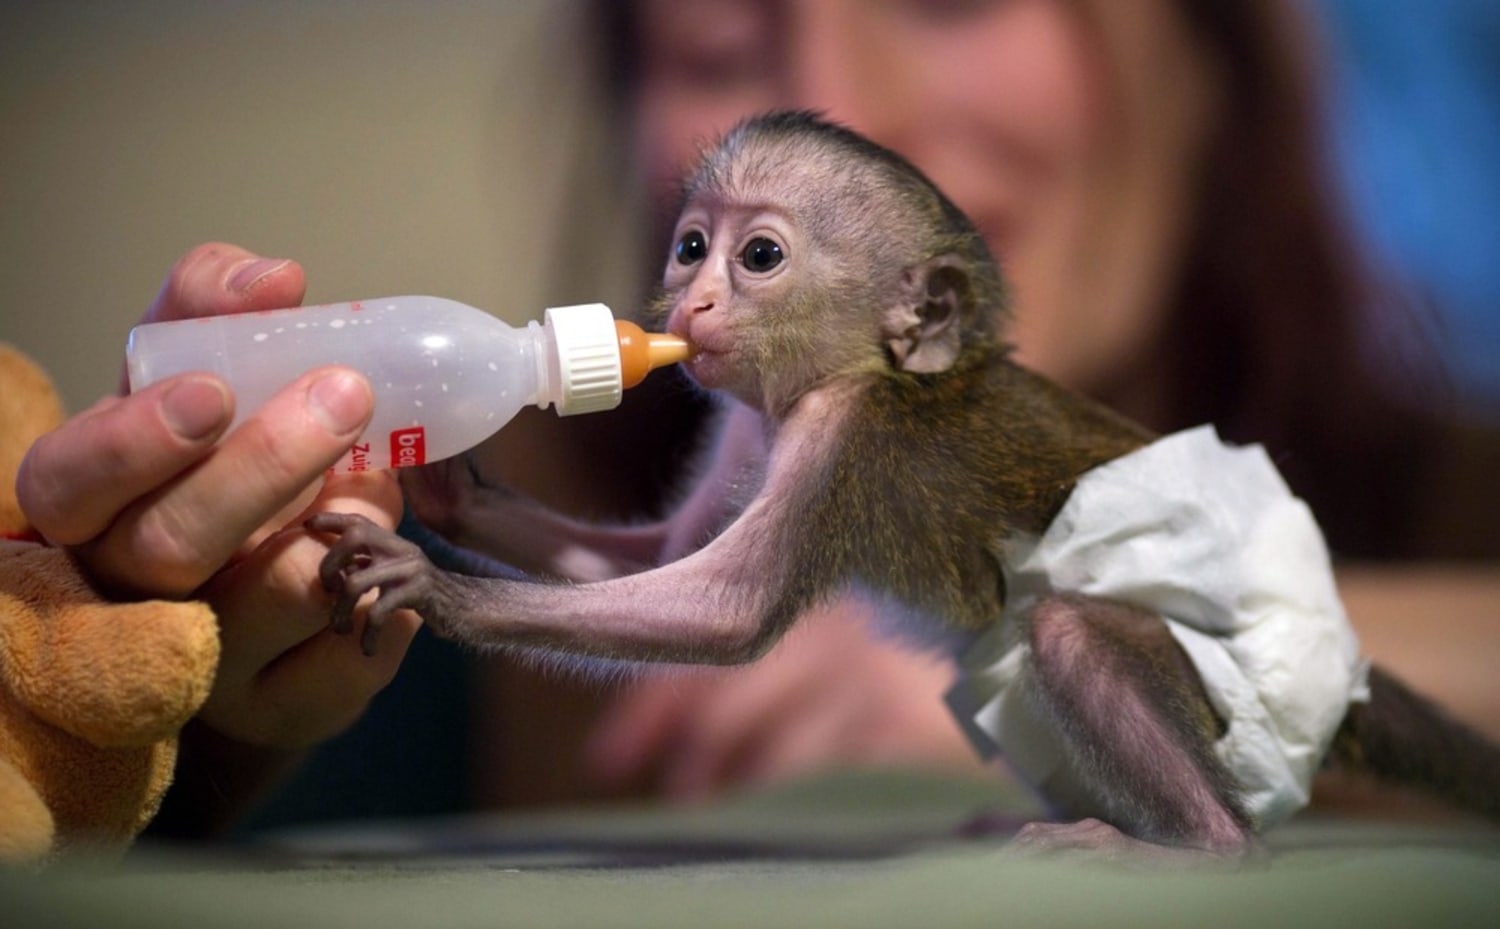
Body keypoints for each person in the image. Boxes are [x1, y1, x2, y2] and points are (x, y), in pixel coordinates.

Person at [17, 0, 1498, 831]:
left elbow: (721, 610)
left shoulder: (862, 420)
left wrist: (464, 600)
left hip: (1165, 666)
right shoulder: (765, 403)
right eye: (718, 42)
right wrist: (136, 712)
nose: (849, 102)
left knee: (1062, 636)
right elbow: (666, 552)